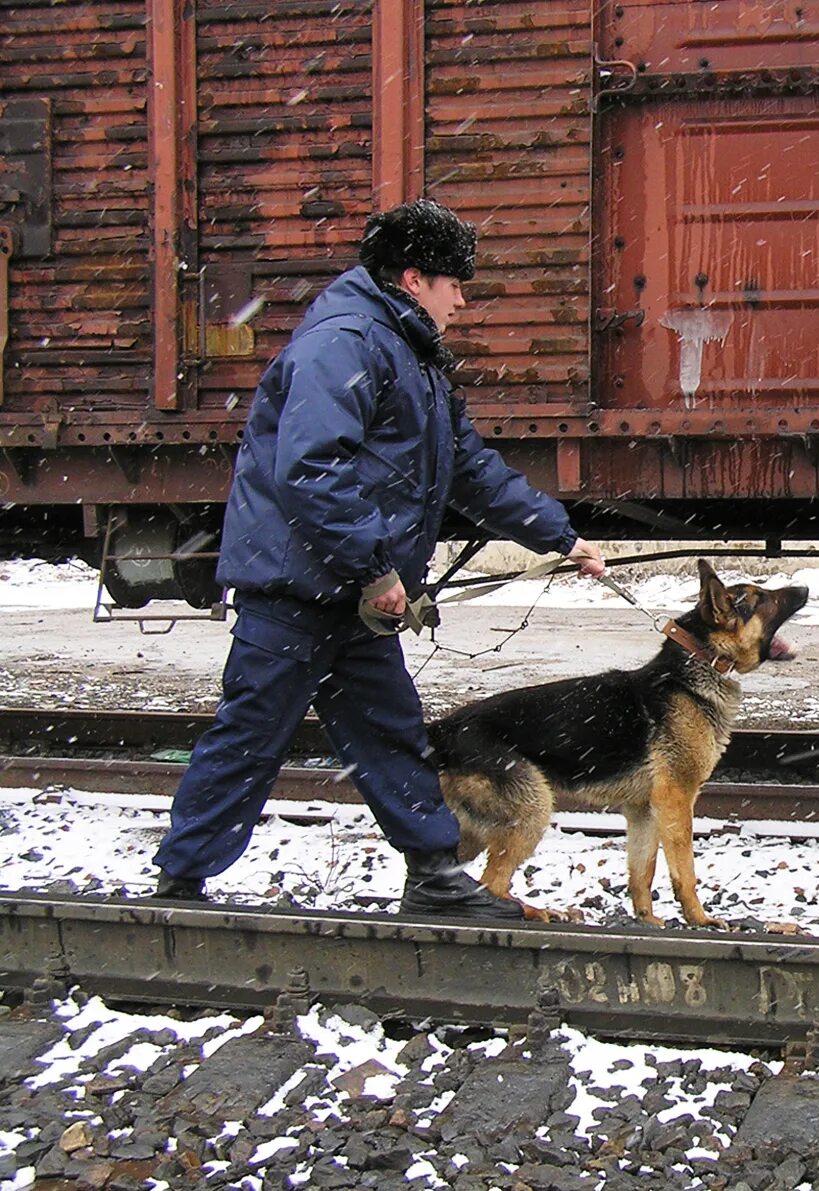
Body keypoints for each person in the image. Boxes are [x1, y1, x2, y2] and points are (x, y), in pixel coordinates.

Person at [150, 198, 606, 921]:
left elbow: (468, 467)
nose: (463, 298)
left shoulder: (410, 352)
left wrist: (557, 533)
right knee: (251, 735)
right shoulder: (348, 341)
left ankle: (432, 873)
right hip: (298, 589)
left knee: (390, 733)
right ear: (414, 277)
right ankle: (178, 888)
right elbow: (311, 468)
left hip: (351, 593)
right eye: (455, 282)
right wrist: (374, 567)